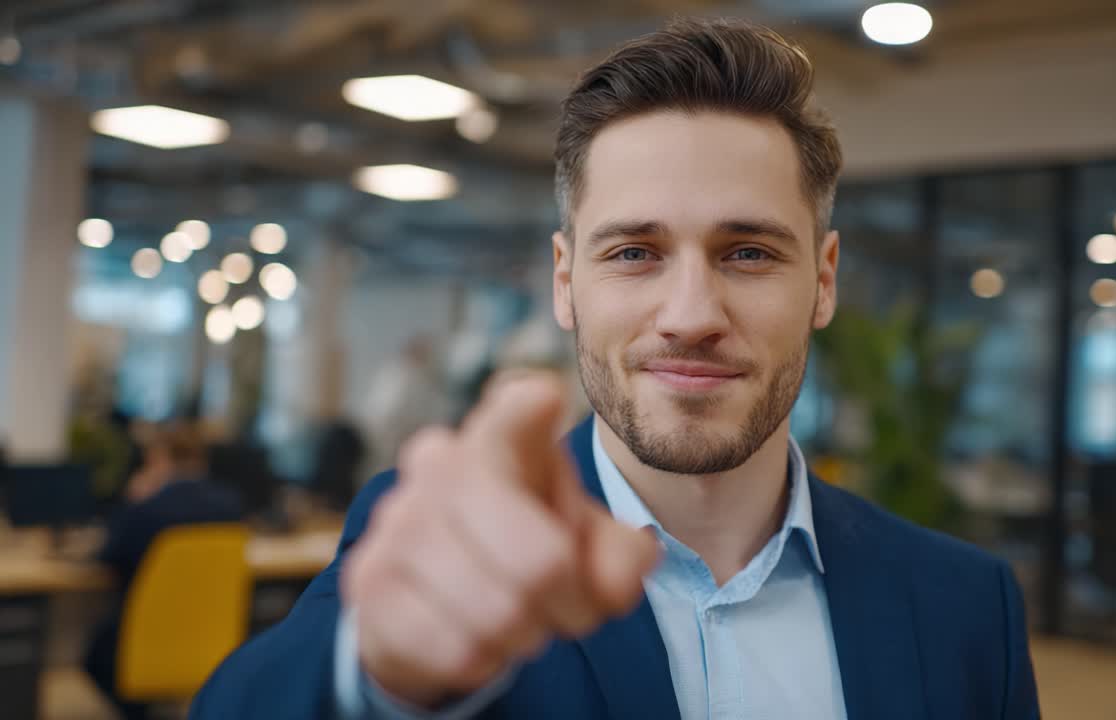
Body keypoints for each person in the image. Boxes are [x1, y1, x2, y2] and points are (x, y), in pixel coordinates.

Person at [193, 17, 1040, 720]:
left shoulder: (965, 606)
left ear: (822, 281)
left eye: (747, 252)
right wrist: (383, 675)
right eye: (635, 252)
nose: (691, 317)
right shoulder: (463, 549)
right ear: (566, 282)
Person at [85, 422, 243, 720]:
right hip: (210, 639)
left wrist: (134, 498)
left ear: (158, 459)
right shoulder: (230, 505)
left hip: (144, 637)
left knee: (95, 656)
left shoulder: (150, 509)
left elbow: (108, 557)